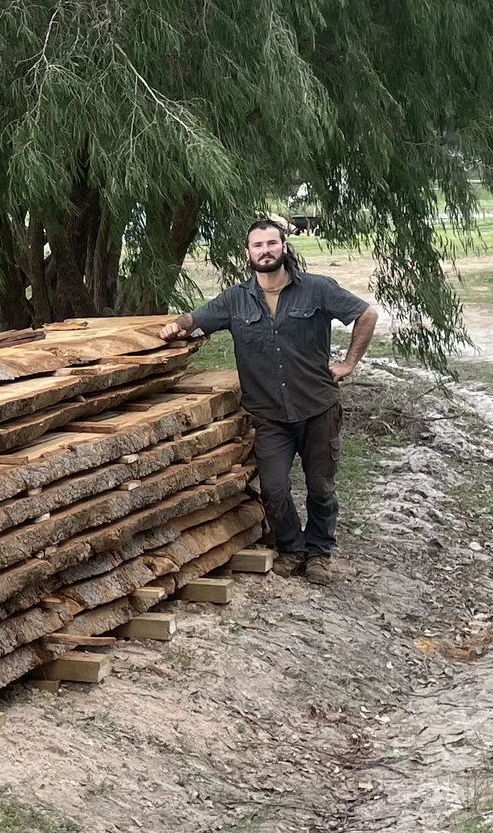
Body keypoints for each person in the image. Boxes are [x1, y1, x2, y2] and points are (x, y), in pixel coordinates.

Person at [159, 217, 378, 581]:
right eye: (258, 246)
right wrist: (174, 327)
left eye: (272, 244)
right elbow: (195, 319)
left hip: (317, 407)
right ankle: (291, 548)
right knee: (275, 487)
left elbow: (366, 314)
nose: (265, 251)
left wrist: (348, 362)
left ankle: (319, 553)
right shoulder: (235, 299)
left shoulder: (318, 289)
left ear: (284, 247)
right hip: (270, 415)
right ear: (248, 253)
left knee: (321, 486)